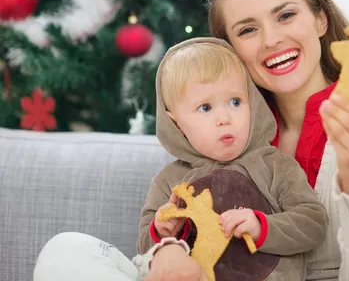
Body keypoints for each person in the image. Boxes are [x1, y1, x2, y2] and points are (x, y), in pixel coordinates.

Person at [33, 0, 349, 281]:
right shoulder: (222, 134)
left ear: (319, 20)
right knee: (65, 252)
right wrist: (165, 249)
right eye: (247, 29)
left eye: (286, 15)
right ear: (229, 48)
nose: (271, 39)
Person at [136, 36, 328, 280]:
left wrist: (262, 228)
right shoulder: (169, 181)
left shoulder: (275, 166)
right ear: (177, 124)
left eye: (236, 102)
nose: (225, 118)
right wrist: (163, 232)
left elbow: (314, 224)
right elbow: (143, 246)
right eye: (205, 107)